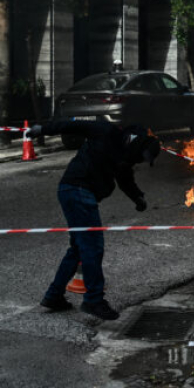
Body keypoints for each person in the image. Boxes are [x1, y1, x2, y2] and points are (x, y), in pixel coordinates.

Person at [28, 121, 160, 320]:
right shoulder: (106, 131)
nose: (139, 162)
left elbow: (125, 179)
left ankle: (53, 296)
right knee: (92, 247)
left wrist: (137, 197)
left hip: (78, 192)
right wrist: (43, 130)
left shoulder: (126, 154)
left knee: (78, 248)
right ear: (138, 145)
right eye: (141, 158)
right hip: (77, 190)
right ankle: (93, 300)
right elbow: (74, 124)